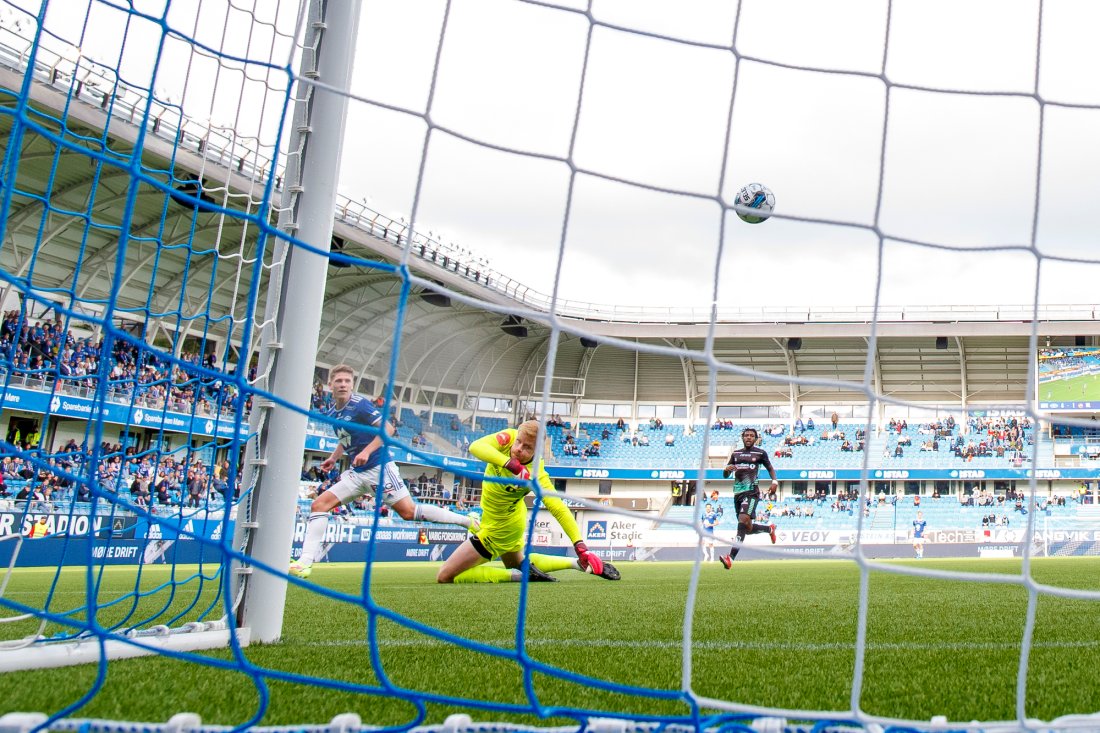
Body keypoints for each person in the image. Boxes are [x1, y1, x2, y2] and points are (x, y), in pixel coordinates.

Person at [290, 365, 477, 579]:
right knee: (319, 505)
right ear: (330, 384)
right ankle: (305, 563)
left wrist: (367, 452)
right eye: (339, 381)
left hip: (379, 468)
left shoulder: (359, 405)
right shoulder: (333, 411)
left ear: (352, 385)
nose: (343, 384)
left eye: (347, 381)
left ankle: (468, 521)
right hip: (357, 472)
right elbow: (345, 437)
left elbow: (388, 429)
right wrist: (334, 457)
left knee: (408, 512)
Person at [436, 420, 620, 583]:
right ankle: (576, 564)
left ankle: (519, 576)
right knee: (517, 562)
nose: (518, 449)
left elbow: (557, 507)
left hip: (502, 528)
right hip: (502, 517)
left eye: (527, 448)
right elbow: (476, 447)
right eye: (518, 442)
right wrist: (511, 464)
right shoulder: (507, 438)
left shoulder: (536, 474)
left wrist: (580, 546)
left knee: (445, 575)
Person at [718, 427, 778, 569]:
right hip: (737, 494)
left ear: (756, 438)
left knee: (742, 520)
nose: (749, 437)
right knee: (748, 528)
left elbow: (770, 467)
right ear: (742, 438)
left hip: (752, 493)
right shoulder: (735, 454)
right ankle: (769, 529)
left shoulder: (760, 453)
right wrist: (726, 470)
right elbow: (726, 475)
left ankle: (730, 557)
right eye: (746, 435)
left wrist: (774, 481)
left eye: (752, 435)